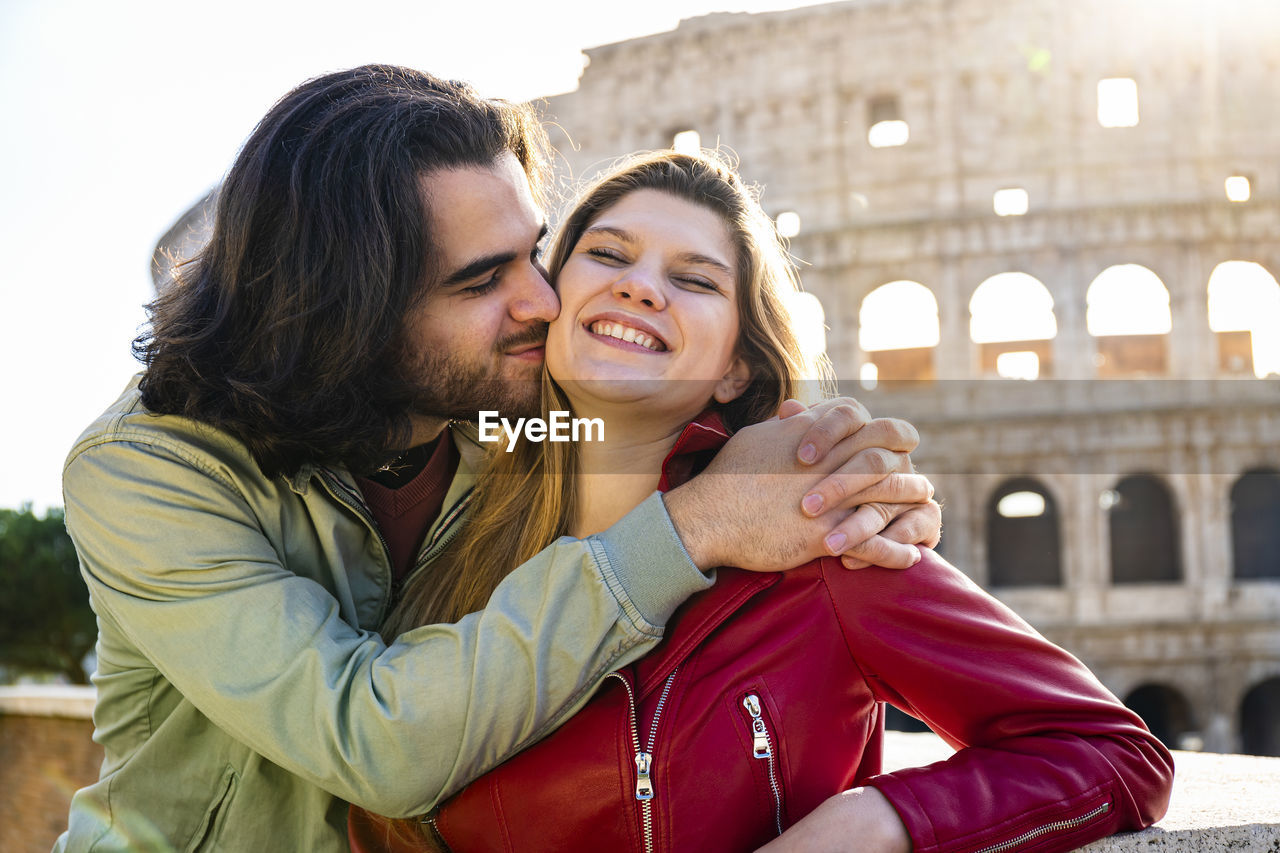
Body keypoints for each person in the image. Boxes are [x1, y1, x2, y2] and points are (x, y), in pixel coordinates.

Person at [55, 66, 942, 852]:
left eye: (535, 251)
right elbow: (374, 739)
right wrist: (700, 521)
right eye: (482, 281)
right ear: (348, 313)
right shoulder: (148, 469)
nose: (543, 299)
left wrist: (846, 485)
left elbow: (652, 432)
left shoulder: (508, 422)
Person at [351, 150, 1174, 853]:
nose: (641, 288)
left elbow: (1113, 751)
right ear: (549, 300)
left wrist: (878, 819)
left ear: (737, 366)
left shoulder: (821, 543)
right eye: (608, 255)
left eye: (693, 279)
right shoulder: (445, 544)